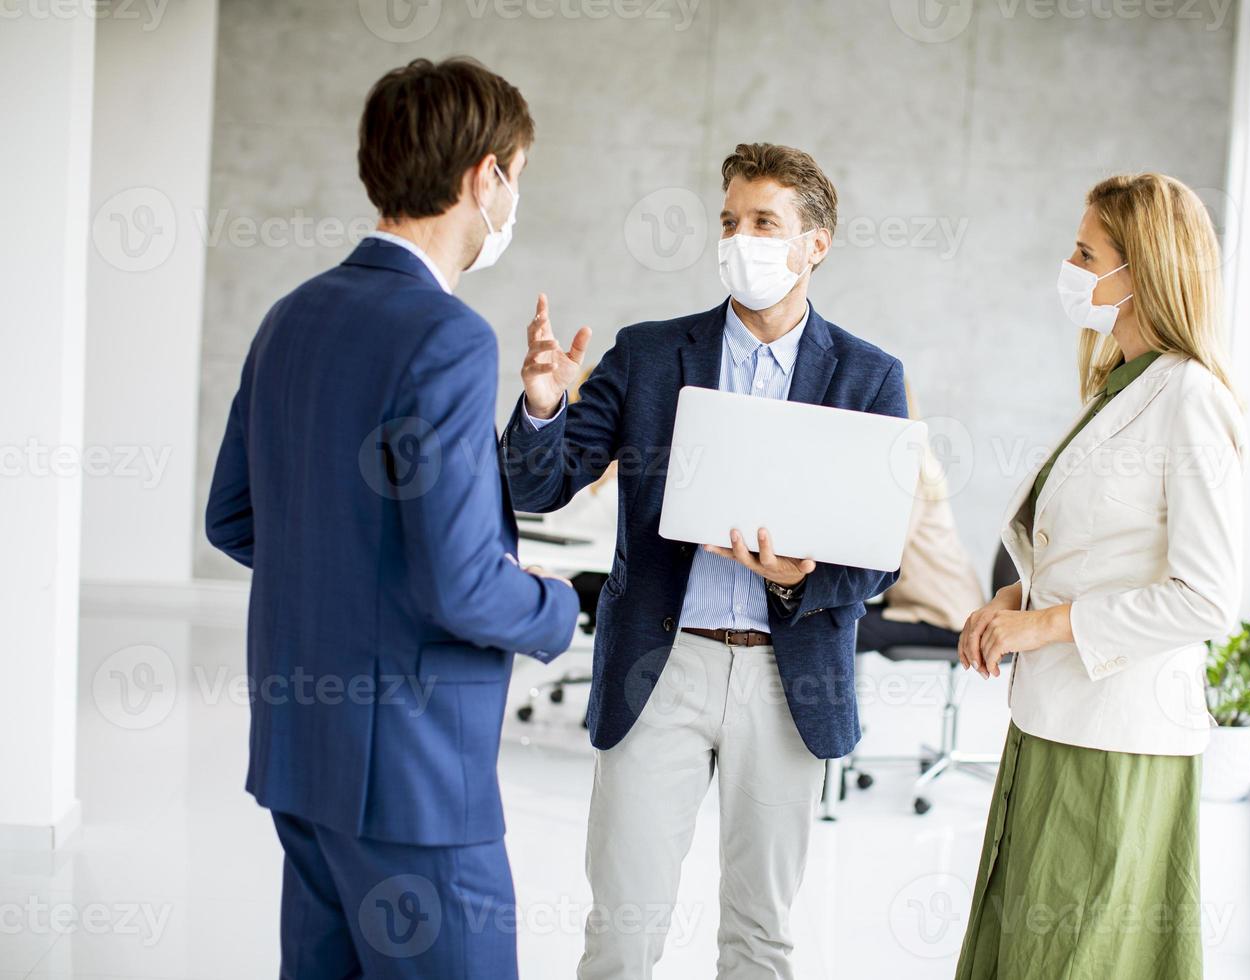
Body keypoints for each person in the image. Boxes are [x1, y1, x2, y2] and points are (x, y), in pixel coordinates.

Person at [204, 57, 580, 979]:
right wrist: (561, 606)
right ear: (482, 177)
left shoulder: (291, 316)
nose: (512, 201)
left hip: (304, 758)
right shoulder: (447, 336)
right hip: (413, 780)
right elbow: (457, 581)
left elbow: (235, 519)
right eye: (516, 178)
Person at [499, 143, 907, 980]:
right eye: (729, 221)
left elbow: (881, 558)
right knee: (621, 927)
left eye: (765, 222)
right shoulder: (649, 355)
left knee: (759, 936)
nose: (741, 239)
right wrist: (544, 404)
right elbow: (539, 487)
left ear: (815, 244)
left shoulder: (868, 376)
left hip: (785, 679)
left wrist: (804, 577)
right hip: (664, 664)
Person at [952, 173, 1244, 980]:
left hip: (1115, 740)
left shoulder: (1189, 399)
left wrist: (1042, 626)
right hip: (1056, 720)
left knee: (1073, 954)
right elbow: (1096, 548)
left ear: (1142, 269)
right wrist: (1018, 597)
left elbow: (1207, 595)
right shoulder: (1120, 381)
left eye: (1087, 252)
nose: (1070, 265)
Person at [856, 386, 984, 653]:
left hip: (948, 616)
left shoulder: (912, 473)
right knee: (833, 617)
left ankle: (834, 695)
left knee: (836, 624)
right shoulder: (906, 465)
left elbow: (885, 550)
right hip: (926, 606)